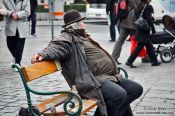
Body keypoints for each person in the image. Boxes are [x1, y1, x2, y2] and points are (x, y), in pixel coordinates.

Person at [31, 10, 143, 116]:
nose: (85, 25)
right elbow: (57, 47)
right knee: (119, 95)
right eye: (82, 22)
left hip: (109, 77)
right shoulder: (67, 37)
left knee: (136, 89)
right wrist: (42, 54)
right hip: (91, 81)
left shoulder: (81, 36)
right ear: (76, 24)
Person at [125, 0, 161, 68]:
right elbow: (148, 19)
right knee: (140, 46)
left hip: (141, 27)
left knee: (149, 45)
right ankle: (129, 61)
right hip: (145, 29)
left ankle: (154, 61)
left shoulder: (139, 5)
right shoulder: (147, 6)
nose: (151, 0)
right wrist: (153, 29)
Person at [1, 0, 30, 67]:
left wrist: (17, 15)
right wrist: (11, 14)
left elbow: (27, 12)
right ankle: (16, 57)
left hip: (22, 25)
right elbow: (2, 9)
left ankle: (18, 63)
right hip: (10, 24)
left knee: (19, 46)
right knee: (9, 45)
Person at [111, 0, 141, 64]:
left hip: (123, 22)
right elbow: (138, 7)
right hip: (132, 24)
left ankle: (114, 58)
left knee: (120, 41)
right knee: (140, 41)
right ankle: (143, 57)